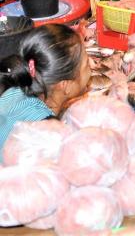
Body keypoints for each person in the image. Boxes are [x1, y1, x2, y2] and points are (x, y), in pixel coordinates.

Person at [0, 24, 91, 159]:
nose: (92, 67)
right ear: (65, 85)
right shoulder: (49, 136)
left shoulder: (13, 90)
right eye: (87, 64)